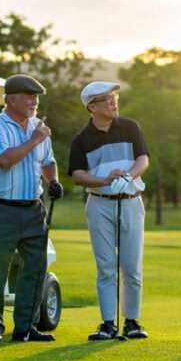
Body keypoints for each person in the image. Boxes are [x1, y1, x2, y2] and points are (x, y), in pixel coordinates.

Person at [0, 74, 64, 342]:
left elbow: (47, 161)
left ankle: (26, 327)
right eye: (29, 96)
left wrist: (53, 181)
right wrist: (34, 140)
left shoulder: (38, 127)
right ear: (11, 99)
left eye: (36, 97)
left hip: (33, 208)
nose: (34, 101)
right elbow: (4, 160)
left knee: (35, 269)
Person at [68, 81, 151, 340]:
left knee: (132, 266)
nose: (114, 101)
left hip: (131, 201)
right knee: (106, 266)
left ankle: (132, 322)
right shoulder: (82, 139)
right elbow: (78, 175)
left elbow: (143, 160)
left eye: (114, 96)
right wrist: (105, 181)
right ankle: (107, 323)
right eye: (107, 98)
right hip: (99, 204)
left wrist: (127, 176)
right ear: (92, 107)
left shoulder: (129, 127)